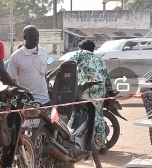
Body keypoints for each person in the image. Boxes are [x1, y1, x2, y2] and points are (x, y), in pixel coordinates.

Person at [47, 39, 113, 168]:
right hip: (99, 88)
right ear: (93, 49)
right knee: (97, 114)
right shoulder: (99, 59)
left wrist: (49, 76)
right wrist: (109, 91)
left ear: (80, 47)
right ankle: (102, 144)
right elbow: (106, 76)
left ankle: (78, 141)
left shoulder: (79, 54)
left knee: (78, 113)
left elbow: (65, 65)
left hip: (84, 88)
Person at [7, 25, 51, 106]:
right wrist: (21, 90)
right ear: (25, 37)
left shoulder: (43, 52)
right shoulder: (16, 56)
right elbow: (10, 80)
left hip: (45, 100)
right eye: (33, 37)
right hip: (26, 102)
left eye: (37, 36)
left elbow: (44, 75)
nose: (36, 39)